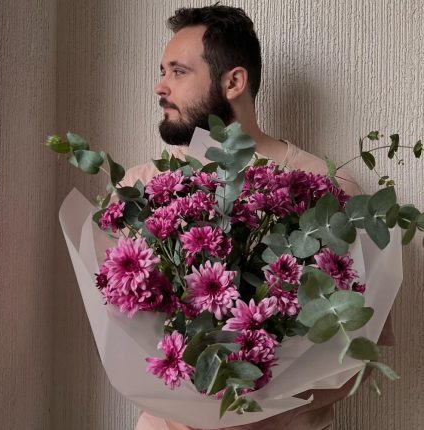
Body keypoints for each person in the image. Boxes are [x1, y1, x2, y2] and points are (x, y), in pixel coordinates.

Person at [122, 4, 395, 429]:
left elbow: (364, 342)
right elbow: (121, 332)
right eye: (163, 71)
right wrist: (189, 406)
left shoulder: (327, 189)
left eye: (178, 71)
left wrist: (256, 406)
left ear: (234, 82)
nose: (160, 86)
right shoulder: (141, 189)